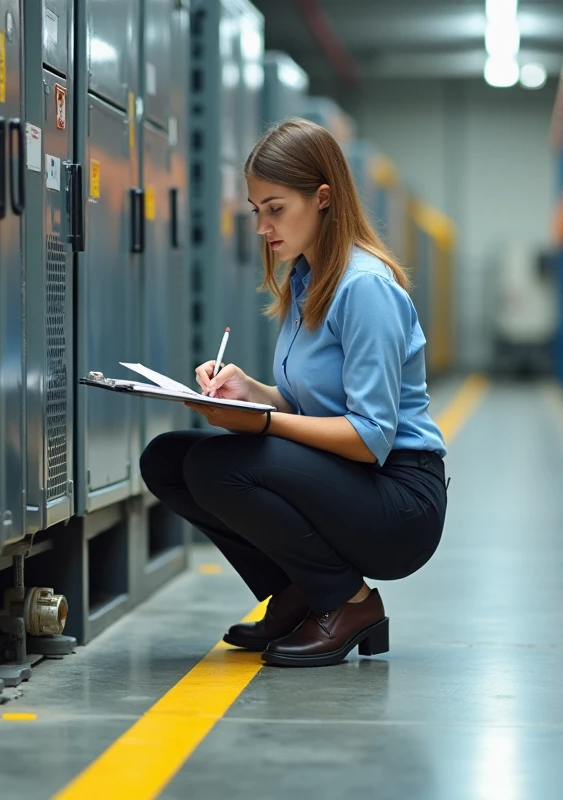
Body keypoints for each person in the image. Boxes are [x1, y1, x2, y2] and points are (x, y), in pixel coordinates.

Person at [140, 118, 448, 668]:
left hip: (399, 501)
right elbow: (312, 408)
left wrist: (261, 423)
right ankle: (297, 591)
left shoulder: (365, 289)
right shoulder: (308, 280)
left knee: (218, 467)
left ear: (323, 198)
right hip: (354, 480)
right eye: (257, 209)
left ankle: (348, 603)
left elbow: (369, 437)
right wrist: (248, 391)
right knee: (167, 459)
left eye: (275, 208)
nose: (262, 226)